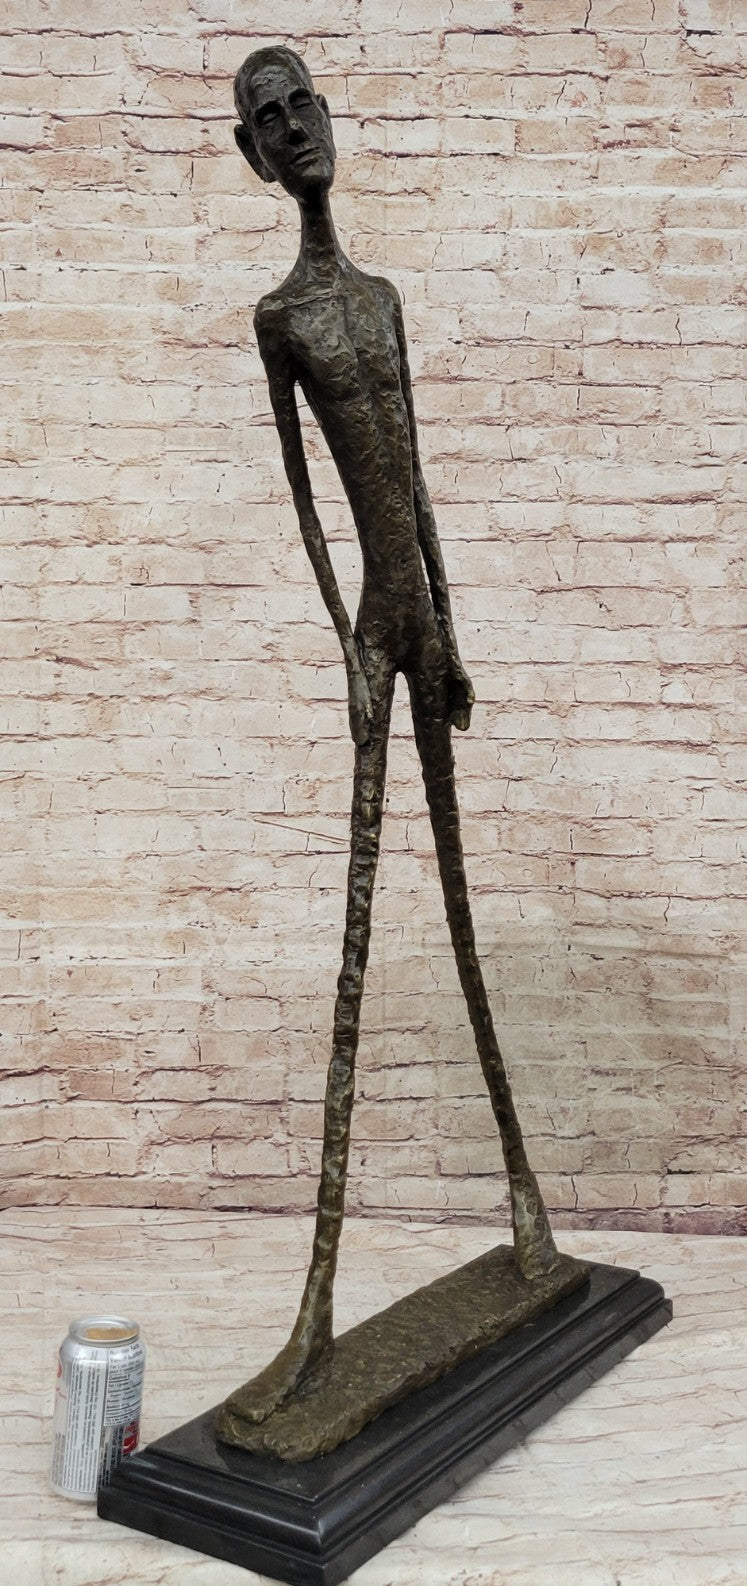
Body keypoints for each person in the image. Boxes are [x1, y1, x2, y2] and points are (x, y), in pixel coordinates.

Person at [227, 44, 559, 1425]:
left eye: (303, 105)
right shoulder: (283, 319)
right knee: (359, 965)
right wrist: (344, 647)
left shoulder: (382, 301)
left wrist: (453, 635)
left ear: (326, 119)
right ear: (253, 157)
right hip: (374, 631)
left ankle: (529, 1212)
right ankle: (315, 1314)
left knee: (465, 917)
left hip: (423, 622)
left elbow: (414, 488)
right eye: (269, 121)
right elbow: (310, 502)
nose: (296, 130)